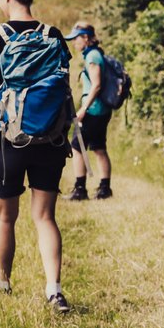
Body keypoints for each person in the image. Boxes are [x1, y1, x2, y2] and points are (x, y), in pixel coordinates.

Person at [0, 0, 72, 314]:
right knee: (45, 216)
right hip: (50, 137)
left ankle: (3, 281)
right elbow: (63, 88)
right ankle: (54, 289)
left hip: (6, 140)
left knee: (4, 216)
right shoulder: (54, 35)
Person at [67, 22, 114, 201]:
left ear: (86, 38)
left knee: (77, 147)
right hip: (102, 109)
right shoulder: (96, 53)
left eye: (76, 38)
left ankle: (80, 189)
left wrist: (84, 109)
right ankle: (105, 188)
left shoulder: (92, 56)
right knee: (99, 147)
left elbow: (97, 84)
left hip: (94, 110)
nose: (74, 43)